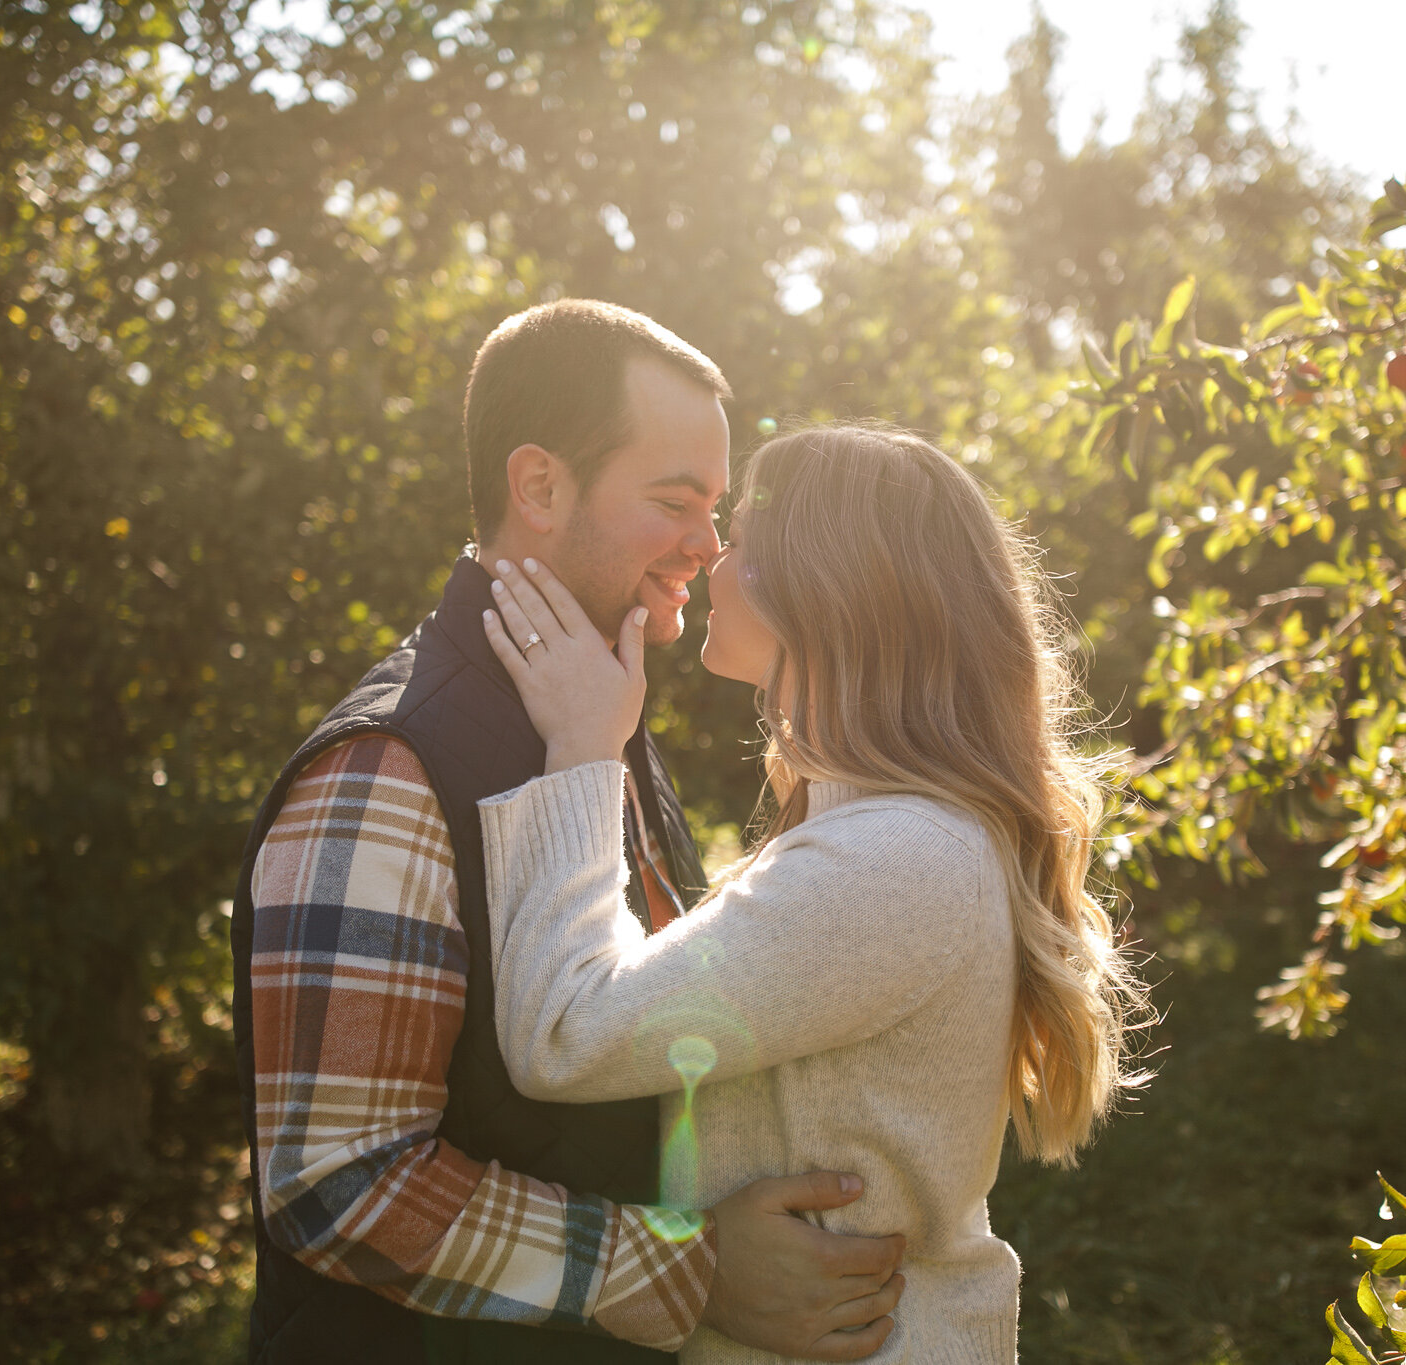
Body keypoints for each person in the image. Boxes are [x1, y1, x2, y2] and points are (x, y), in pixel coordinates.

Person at [230, 305, 908, 1364]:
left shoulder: (594, 719)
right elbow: (339, 1181)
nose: (709, 546)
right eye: (675, 503)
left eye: (714, 508)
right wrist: (692, 1272)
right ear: (539, 487)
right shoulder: (388, 770)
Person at [475, 424, 1151, 1363]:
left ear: (821, 585)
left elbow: (564, 1034)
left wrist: (584, 753)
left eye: (741, 535)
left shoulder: (894, 860)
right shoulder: (884, 835)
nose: (709, 550)